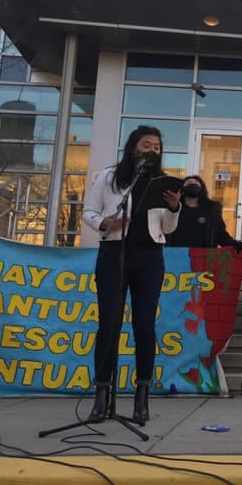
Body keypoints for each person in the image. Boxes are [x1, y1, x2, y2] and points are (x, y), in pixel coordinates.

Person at [82, 125, 182, 424]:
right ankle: (102, 396)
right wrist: (105, 223)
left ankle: (141, 398)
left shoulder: (162, 182)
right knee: (109, 325)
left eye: (157, 147)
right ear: (133, 147)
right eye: (146, 145)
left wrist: (174, 208)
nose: (152, 151)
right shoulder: (109, 177)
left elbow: (167, 227)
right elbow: (88, 211)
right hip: (114, 253)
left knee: (144, 326)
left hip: (149, 256)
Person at [166, 175, 242, 251]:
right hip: (175, 255)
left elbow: (220, 233)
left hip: (203, 257)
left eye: (196, 183)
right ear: (181, 189)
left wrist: (233, 244)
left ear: (201, 189)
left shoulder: (211, 210)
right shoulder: (173, 208)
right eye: (189, 183)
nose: (193, 184)